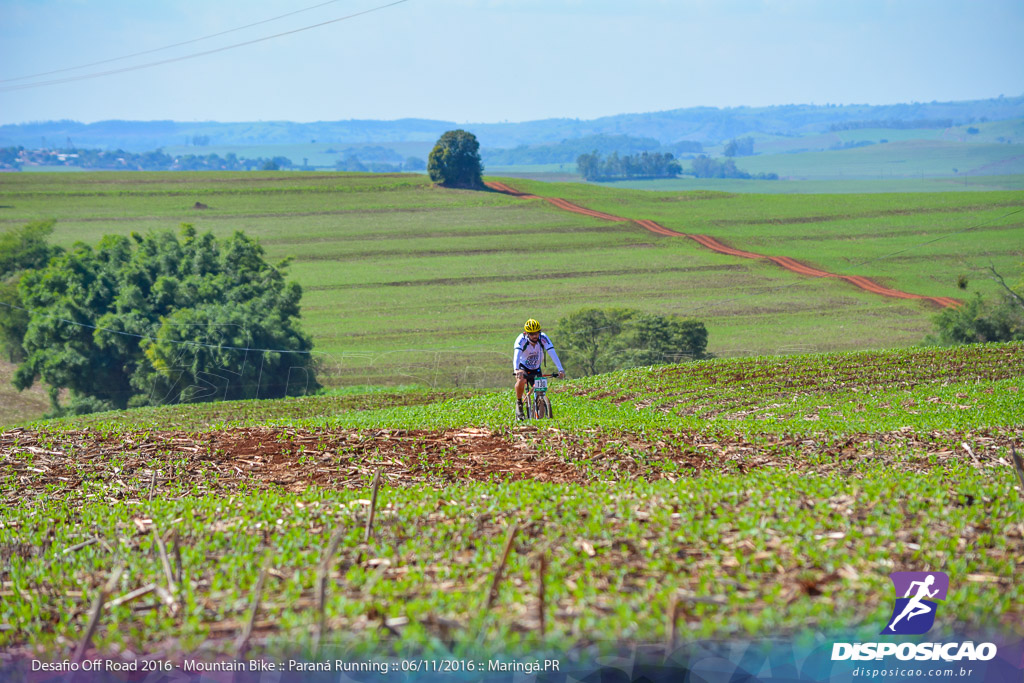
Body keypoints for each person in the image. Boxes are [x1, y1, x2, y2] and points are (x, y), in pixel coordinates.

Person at [513, 318, 565, 419]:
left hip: (536, 368)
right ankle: (519, 402)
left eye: (536, 333)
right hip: (523, 367)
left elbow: (552, 353)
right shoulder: (521, 340)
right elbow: (516, 355)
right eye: (531, 334)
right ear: (526, 333)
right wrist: (516, 370)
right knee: (522, 380)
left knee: (540, 391)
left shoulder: (543, 338)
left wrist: (560, 369)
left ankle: (541, 412)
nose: (535, 336)